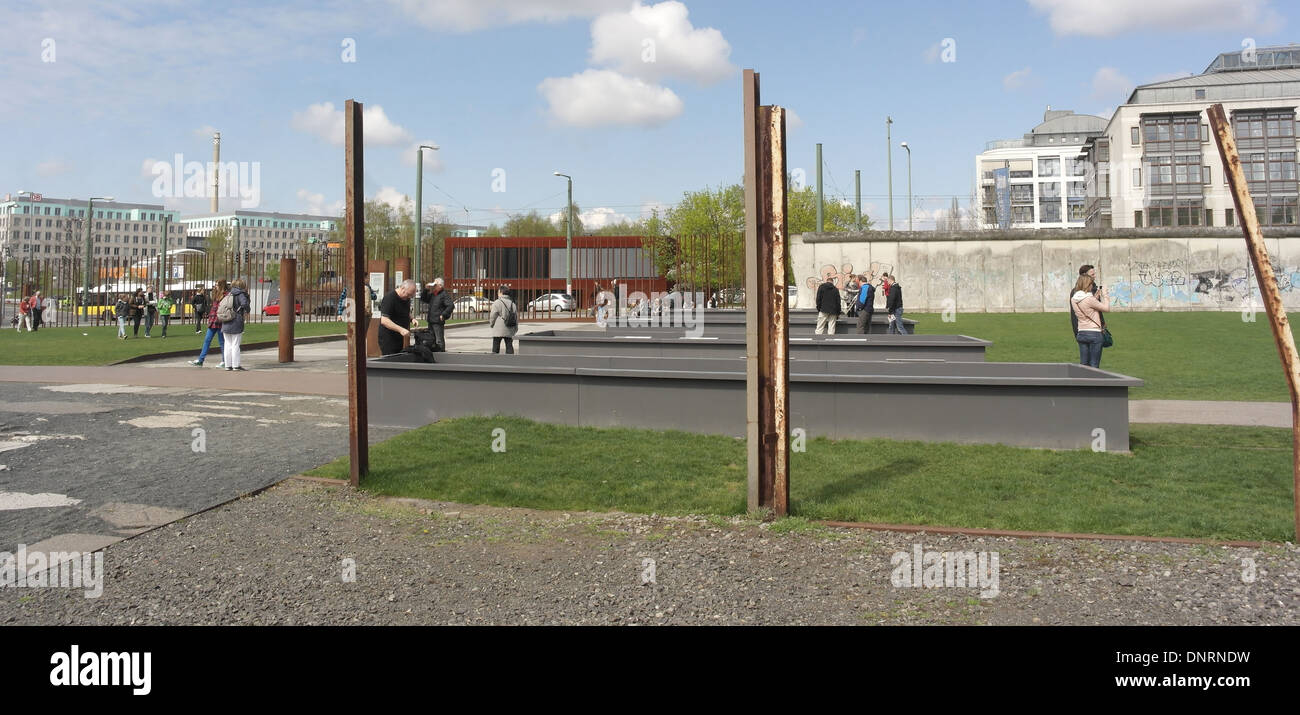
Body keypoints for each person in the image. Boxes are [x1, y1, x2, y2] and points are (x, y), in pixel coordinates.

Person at [1071, 274, 1110, 368]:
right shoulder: (1089, 299)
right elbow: (1106, 308)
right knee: (1094, 365)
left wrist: (1095, 298)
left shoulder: (1074, 298)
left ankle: (1082, 382)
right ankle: (1094, 383)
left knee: (1084, 365)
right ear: (1087, 285)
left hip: (1081, 332)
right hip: (1094, 333)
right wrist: (1105, 295)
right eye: (1091, 284)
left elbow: (1086, 307)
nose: (1092, 286)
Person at [189, 280, 228, 366]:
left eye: (217, 285)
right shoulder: (216, 294)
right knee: (207, 340)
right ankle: (201, 360)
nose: (215, 287)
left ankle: (225, 361)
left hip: (220, 320)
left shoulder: (225, 295)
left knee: (222, 341)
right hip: (213, 320)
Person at [379, 279, 419, 356]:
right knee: (390, 360)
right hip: (388, 338)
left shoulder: (406, 298)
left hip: (398, 337)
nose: (409, 297)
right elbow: (384, 320)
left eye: (411, 296)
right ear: (403, 288)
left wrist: (412, 319)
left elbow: (404, 311)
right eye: (408, 294)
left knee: (398, 357)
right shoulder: (390, 298)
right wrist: (401, 330)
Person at [221, 278, 252, 371]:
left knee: (227, 344)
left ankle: (227, 365)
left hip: (226, 320)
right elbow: (244, 304)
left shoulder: (228, 294)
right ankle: (236, 365)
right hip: (236, 320)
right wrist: (247, 309)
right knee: (235, 344)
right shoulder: (241, 294)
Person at [418, 277, 455, 352]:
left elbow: (451, 305)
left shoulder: (444, 294)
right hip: (431, 320)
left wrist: (443, 315)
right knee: (431, 338)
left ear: (440, 286)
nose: (434, 287)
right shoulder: (433, 294)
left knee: (439, 340)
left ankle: (441, 352)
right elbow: (423, 299)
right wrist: (426, 289)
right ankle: (434, 352)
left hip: (438, 321)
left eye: (435, 285)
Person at [1070, 264, 1106, 337]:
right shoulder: (1075, 292)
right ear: (1084, 275)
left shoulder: (1094, 289)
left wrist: (1102, 324)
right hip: (1087, 330)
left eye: (1094, 274)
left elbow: (1098, 311)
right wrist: (1076, 332)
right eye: (1092, 274)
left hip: (1095, 329)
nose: (1094, 276)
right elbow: (1074, 314)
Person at [488, 286, 518, 354]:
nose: (497, 294)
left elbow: (493, 315)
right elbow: (516, 317)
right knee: (509, 345)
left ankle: (495, 361)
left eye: (498, 292)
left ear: (501, 293)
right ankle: (509, 361)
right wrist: (516, 328)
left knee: (496, 346)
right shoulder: (512, 303)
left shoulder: (497, 302)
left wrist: (491, 324)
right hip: (509, 328)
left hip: (498, 329)